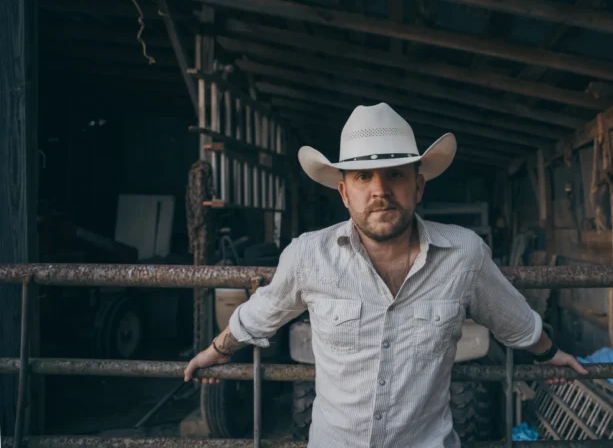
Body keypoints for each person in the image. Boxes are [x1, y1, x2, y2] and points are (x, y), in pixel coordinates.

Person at [184, 103, 588, 447]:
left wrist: (553, 356)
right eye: (363, 177)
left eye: (396, 173)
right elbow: (263, 312)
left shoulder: (464, 255)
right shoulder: (309, 255)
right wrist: (215, 351)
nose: (380, 190)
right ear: (344, 193)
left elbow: (514, 321)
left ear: (419, 187)